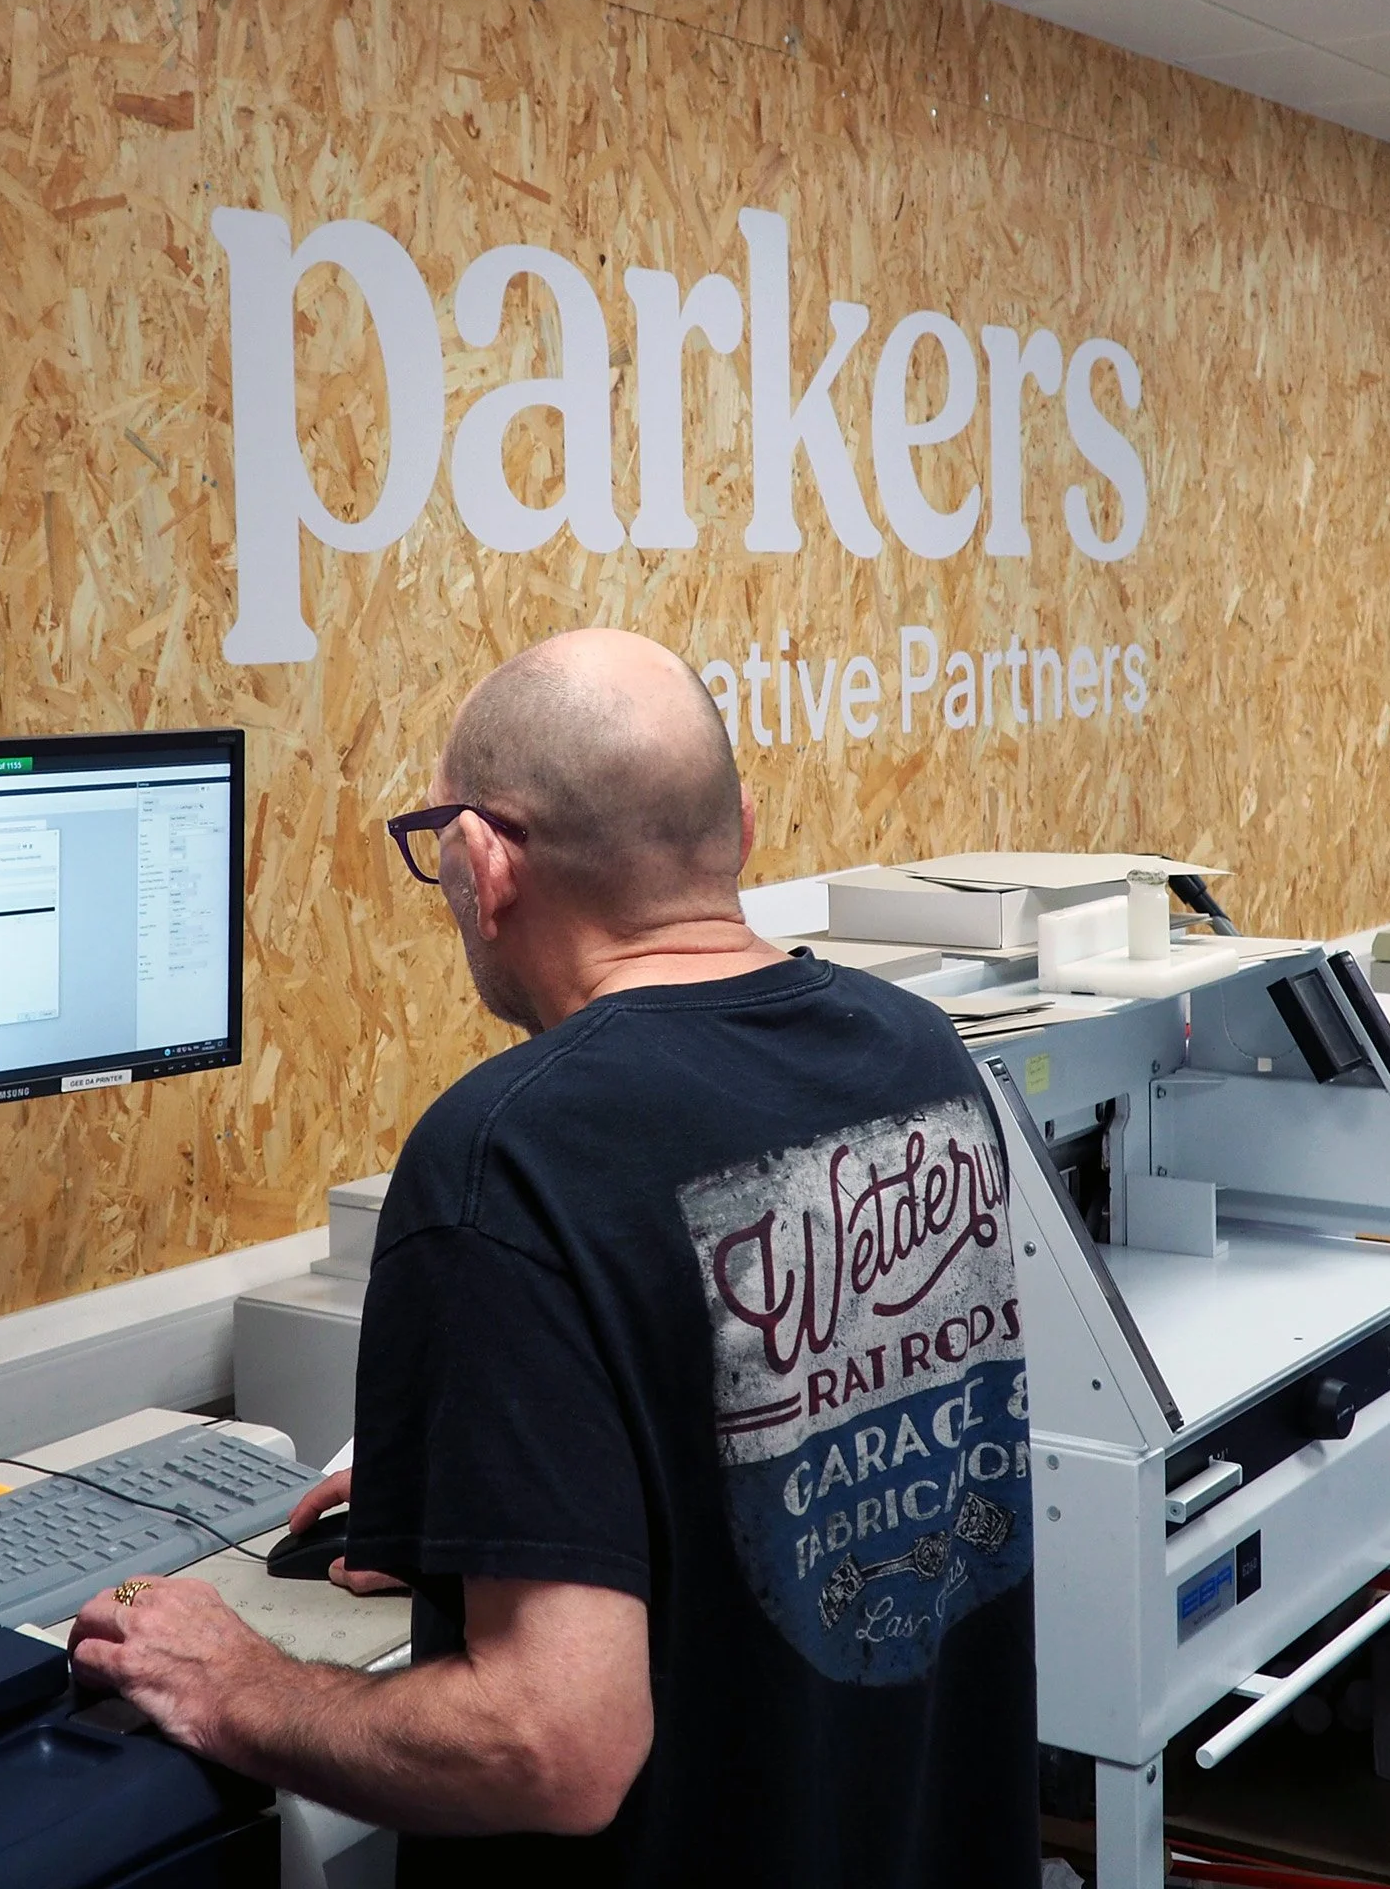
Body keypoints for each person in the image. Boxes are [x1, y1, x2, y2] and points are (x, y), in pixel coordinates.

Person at [69, 629, 1038, 1887]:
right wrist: (494, 1506)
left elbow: (551, 1746)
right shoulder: (919, 1054)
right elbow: (803, 1455)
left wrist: (241, 1682)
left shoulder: (509, 1155)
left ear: (483, 862)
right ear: (739, 828)